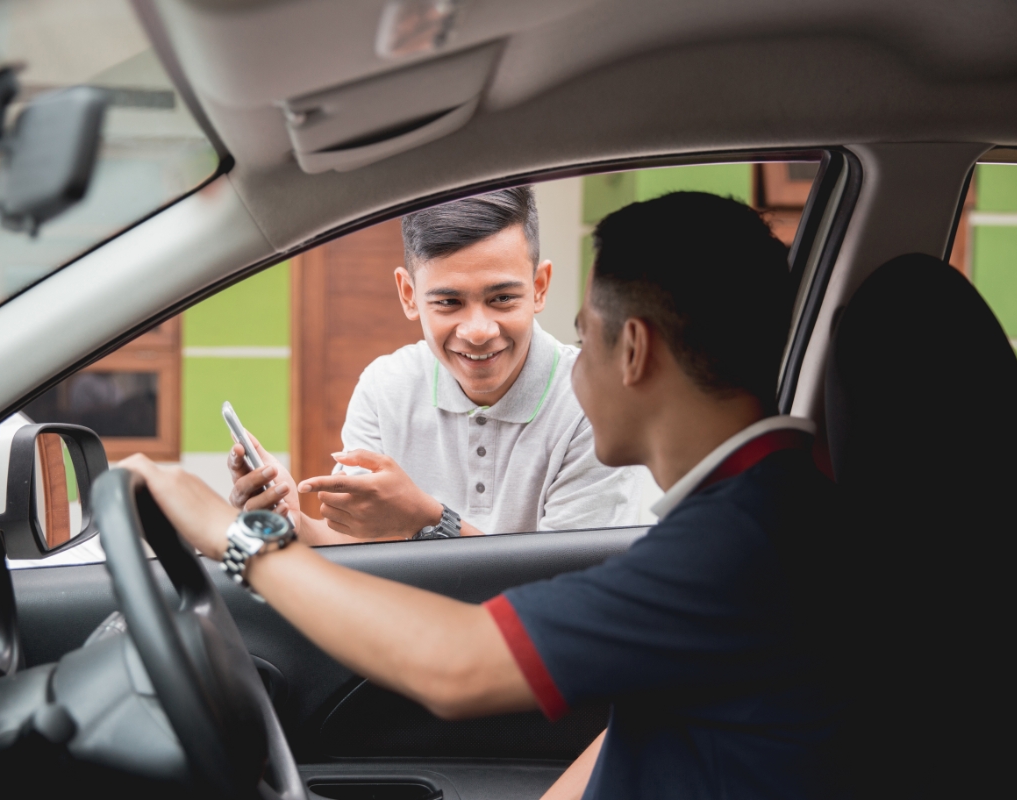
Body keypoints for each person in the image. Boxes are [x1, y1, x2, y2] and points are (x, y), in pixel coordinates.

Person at [123, 192, 850, 798]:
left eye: (582, 336)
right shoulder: (763, 510)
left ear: (633, 351)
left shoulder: (737, 545)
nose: (568, 363)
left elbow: (455, 667)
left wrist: (233, 537)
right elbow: (638, 727)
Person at [229, 187, 647, 544]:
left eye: (502, 298)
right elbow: (357, 547)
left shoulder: (592, 402)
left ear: (539, 288)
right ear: (409, 295)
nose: (479, 330)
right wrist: (294, 524)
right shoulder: (384, 387)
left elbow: (566, 592)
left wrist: (427, 520)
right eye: (449, 302)